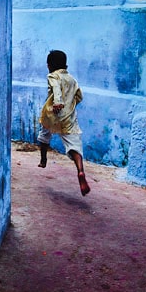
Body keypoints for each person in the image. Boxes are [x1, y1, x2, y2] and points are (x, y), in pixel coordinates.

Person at [37, 50, 90, 196]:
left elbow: (55, 88)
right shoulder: (72, 79)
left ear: (49, 65)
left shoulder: (52, 75)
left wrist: (58, 102)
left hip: (52, 113)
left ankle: (43, 159)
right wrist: (70, 105)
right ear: (65, 65)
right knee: (74, 145)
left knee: (44, 134)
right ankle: (80, 171)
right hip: (68, 116)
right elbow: (79, 95)